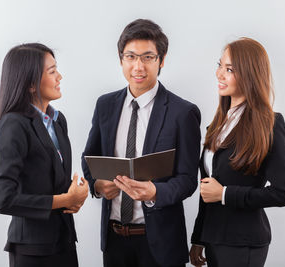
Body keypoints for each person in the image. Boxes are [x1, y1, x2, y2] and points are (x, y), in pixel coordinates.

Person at [82, 19, 201, 267]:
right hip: (114, 242)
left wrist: (156, 192)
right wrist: (97, 186)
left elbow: (188, 179)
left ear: (161, 60)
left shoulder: (183, 112)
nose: (138, 66)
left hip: (160, 244)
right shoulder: (105, 105)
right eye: (131, 57)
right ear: (121, 59)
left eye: (148, 57)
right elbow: (89, 159)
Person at [190, 37, 285, 267]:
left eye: (229, 69)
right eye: (220, 65)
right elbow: (207, 188)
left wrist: (226, 194)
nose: (220, 74)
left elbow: (284, 193)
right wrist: (198, 237)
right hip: (214, 238)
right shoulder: (218, 125)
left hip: (243, 242)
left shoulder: (269, 124)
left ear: (249, 73)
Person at [0, 43, 88, 267]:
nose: (60, 77)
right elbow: (3, 199)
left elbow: (54, 183)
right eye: (52, 71)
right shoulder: (14, 124)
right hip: (32, 251)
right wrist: (66, 199)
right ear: (30, 84)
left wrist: (77, 195)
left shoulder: (58, 120)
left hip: (64, 241)